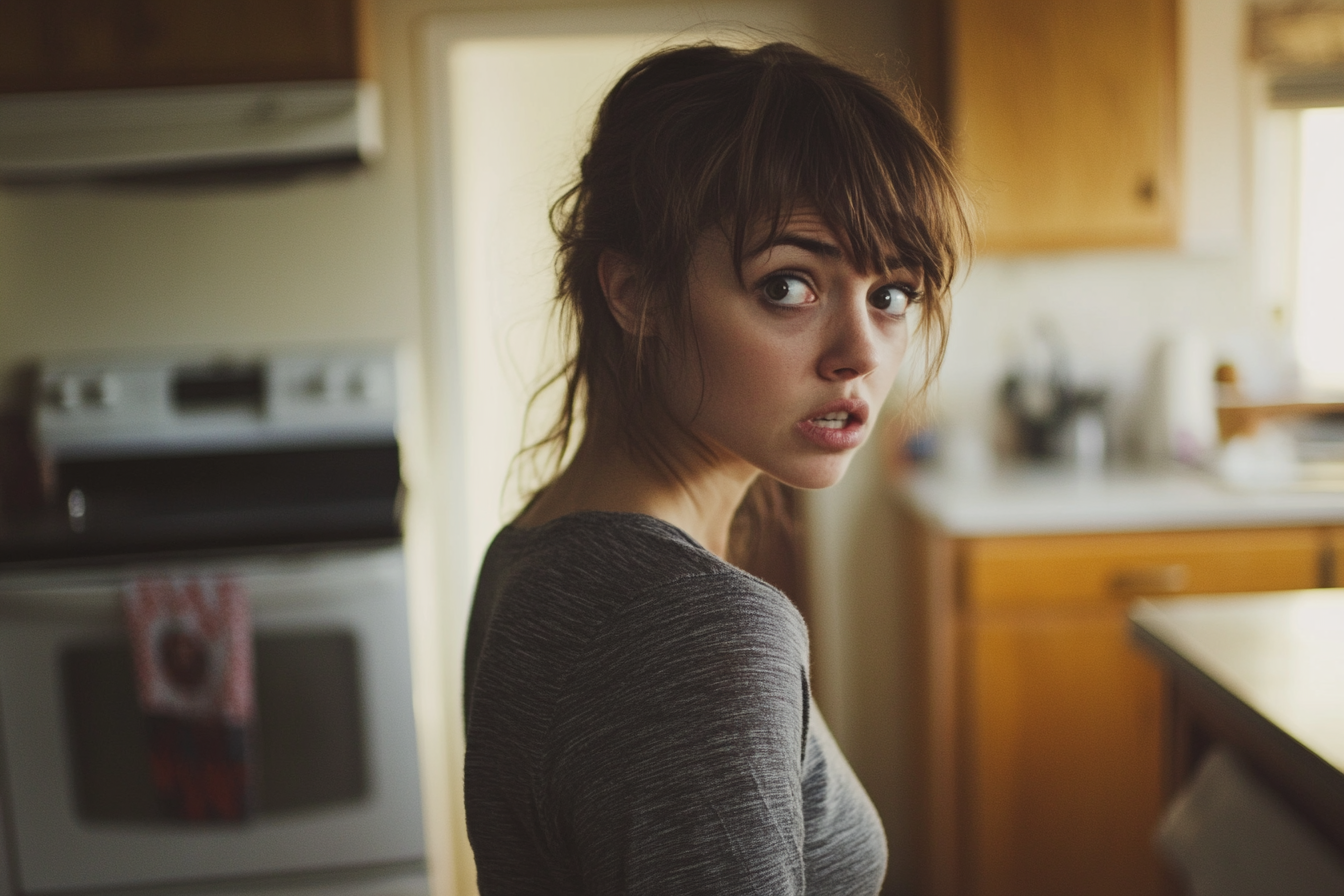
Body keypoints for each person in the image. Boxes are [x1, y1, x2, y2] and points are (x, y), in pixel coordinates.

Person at [462, 41, 970, 894]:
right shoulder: (698, 633)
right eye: (789, 286)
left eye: (891, 294)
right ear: (636, 293)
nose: (860, 354)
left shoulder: (530, 551)